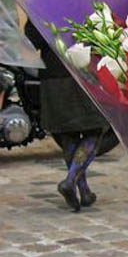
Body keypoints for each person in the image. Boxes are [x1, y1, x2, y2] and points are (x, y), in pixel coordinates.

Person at [24, 19, 110, 211]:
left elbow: (31, 40)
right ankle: (70, 181)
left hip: (52, 74)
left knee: (67, 133)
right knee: (95, 129)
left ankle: (85, 192)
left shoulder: (38, 0)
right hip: (82, 70)